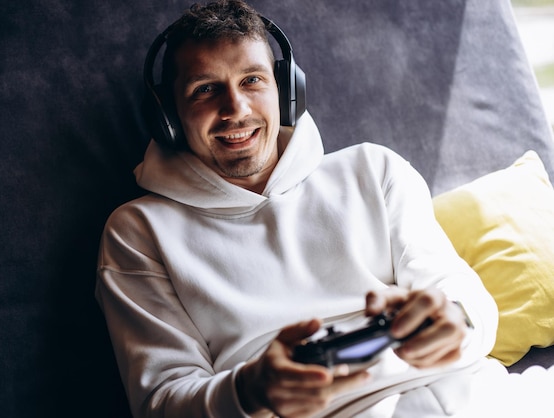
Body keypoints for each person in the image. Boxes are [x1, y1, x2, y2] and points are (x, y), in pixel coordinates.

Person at [95, 1, 500, 417]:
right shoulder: (138, 232)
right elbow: (161, 402)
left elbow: (463, 295)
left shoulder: (373, 169)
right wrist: (250, 390)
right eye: (205, 89)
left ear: (286, 90)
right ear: (170, 117)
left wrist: (457, 320)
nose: (236, 109)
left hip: (476, 394)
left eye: (252, 80)